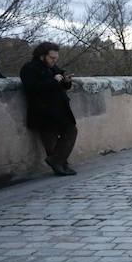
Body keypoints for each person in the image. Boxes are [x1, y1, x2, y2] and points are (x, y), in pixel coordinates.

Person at [20, 42, 78, 176]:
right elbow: (32, 88)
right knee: (50, 140)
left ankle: (58, 162)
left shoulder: (52, 67)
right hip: (42, 111)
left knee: (70, 131)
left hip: (59, 110)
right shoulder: (29, 68)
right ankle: (60, 165)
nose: (54, 61)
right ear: (42, 56)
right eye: (52, 58)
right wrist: (54, 81)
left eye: (56, 58)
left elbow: (61, 83)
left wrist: (66, 81)